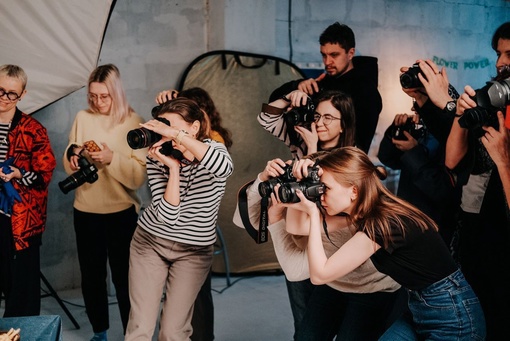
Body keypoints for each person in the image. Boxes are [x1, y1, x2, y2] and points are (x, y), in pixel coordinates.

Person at [282, 147, 486, 340]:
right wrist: (297, 184)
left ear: (353, 191)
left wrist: (312, 211)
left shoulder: (382, 223)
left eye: (325, 188)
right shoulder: (364, 213)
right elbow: (297, 227)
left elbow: (320, 275)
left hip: (452, 314)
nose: (320, 195)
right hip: (421, 306)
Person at [233, 154, 406, 340]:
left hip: (373, 290)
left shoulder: (346, 213)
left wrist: (284, 210)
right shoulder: (314, 204)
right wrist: (262, 179)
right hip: (334, 284)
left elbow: (295, 261)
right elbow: (241, 221)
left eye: (326, 187)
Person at [125, 98, 233, 340]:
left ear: (194, 128)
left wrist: (177, 137)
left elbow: (223, 169)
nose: (165, 135)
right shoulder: (158, 156)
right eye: (163, 127)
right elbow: (168, 216)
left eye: (171, 128)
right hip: (150, 242)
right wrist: (172, 169)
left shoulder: (215, 150)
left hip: (193, 252)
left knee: (174, 331)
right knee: (140, 327)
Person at [257, 89, 358, 338]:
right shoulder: (298, 144)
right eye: (316, 116)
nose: (319, 123)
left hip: (333, 247)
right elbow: (266, 118)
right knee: (304, 325)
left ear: (344, 125)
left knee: (337, 319)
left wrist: (312, 151)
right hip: (299, 241)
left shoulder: (352, 158)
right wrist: (290, 97)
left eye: (328, 118)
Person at [62, 64, 147, 341]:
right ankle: (100, 333)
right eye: (93, 96)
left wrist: (111, 159)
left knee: (125, 280)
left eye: (104, 96)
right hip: (85, 211)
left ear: (117, 93)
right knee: (92, 278)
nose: (97, 102)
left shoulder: (135, 122)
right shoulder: (82, 117)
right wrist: (73, 156)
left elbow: (137, 178)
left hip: (121, 213)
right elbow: (70, 161)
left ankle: (131, 335)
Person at [445, 22, 510, 340]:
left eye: (509, 53)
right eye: (498, 53)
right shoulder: (494, 95)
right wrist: (459, 115)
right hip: (476, 225)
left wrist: (503, 158)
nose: (501, 62)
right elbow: (452, 161)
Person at [155, 86, 232, 341]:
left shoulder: (214, 141)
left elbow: (216, 164)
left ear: (197, 122)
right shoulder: (177, 142)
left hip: (196, 236)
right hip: (173, 230)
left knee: (198, 296)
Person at [378, 59, 462, 245]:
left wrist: (414, 151)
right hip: (407, 215)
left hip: (434, 226)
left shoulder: (453, 138)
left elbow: (441, 190)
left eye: (424, 102)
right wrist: (395, 130)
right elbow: (387, 159)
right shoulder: (417, 128)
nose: (417, 109)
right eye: (416, 103)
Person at [268, 22, 382, 153]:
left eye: (334, 55)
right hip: (310, 158)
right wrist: (297, 86)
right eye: (324, 55)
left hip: (341, 166)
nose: (327, 62)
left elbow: (359, 144)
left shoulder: (366, 92)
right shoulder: (323, 83)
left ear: (350, 53)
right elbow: (271, 106)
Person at [0, 64, 56, 318]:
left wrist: (19, 174)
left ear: (22, 95)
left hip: (21, 222)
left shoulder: (34, 130)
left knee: (21, 292)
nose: (5, 98)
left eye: (12, 93)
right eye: (0, 91)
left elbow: (44, 176)